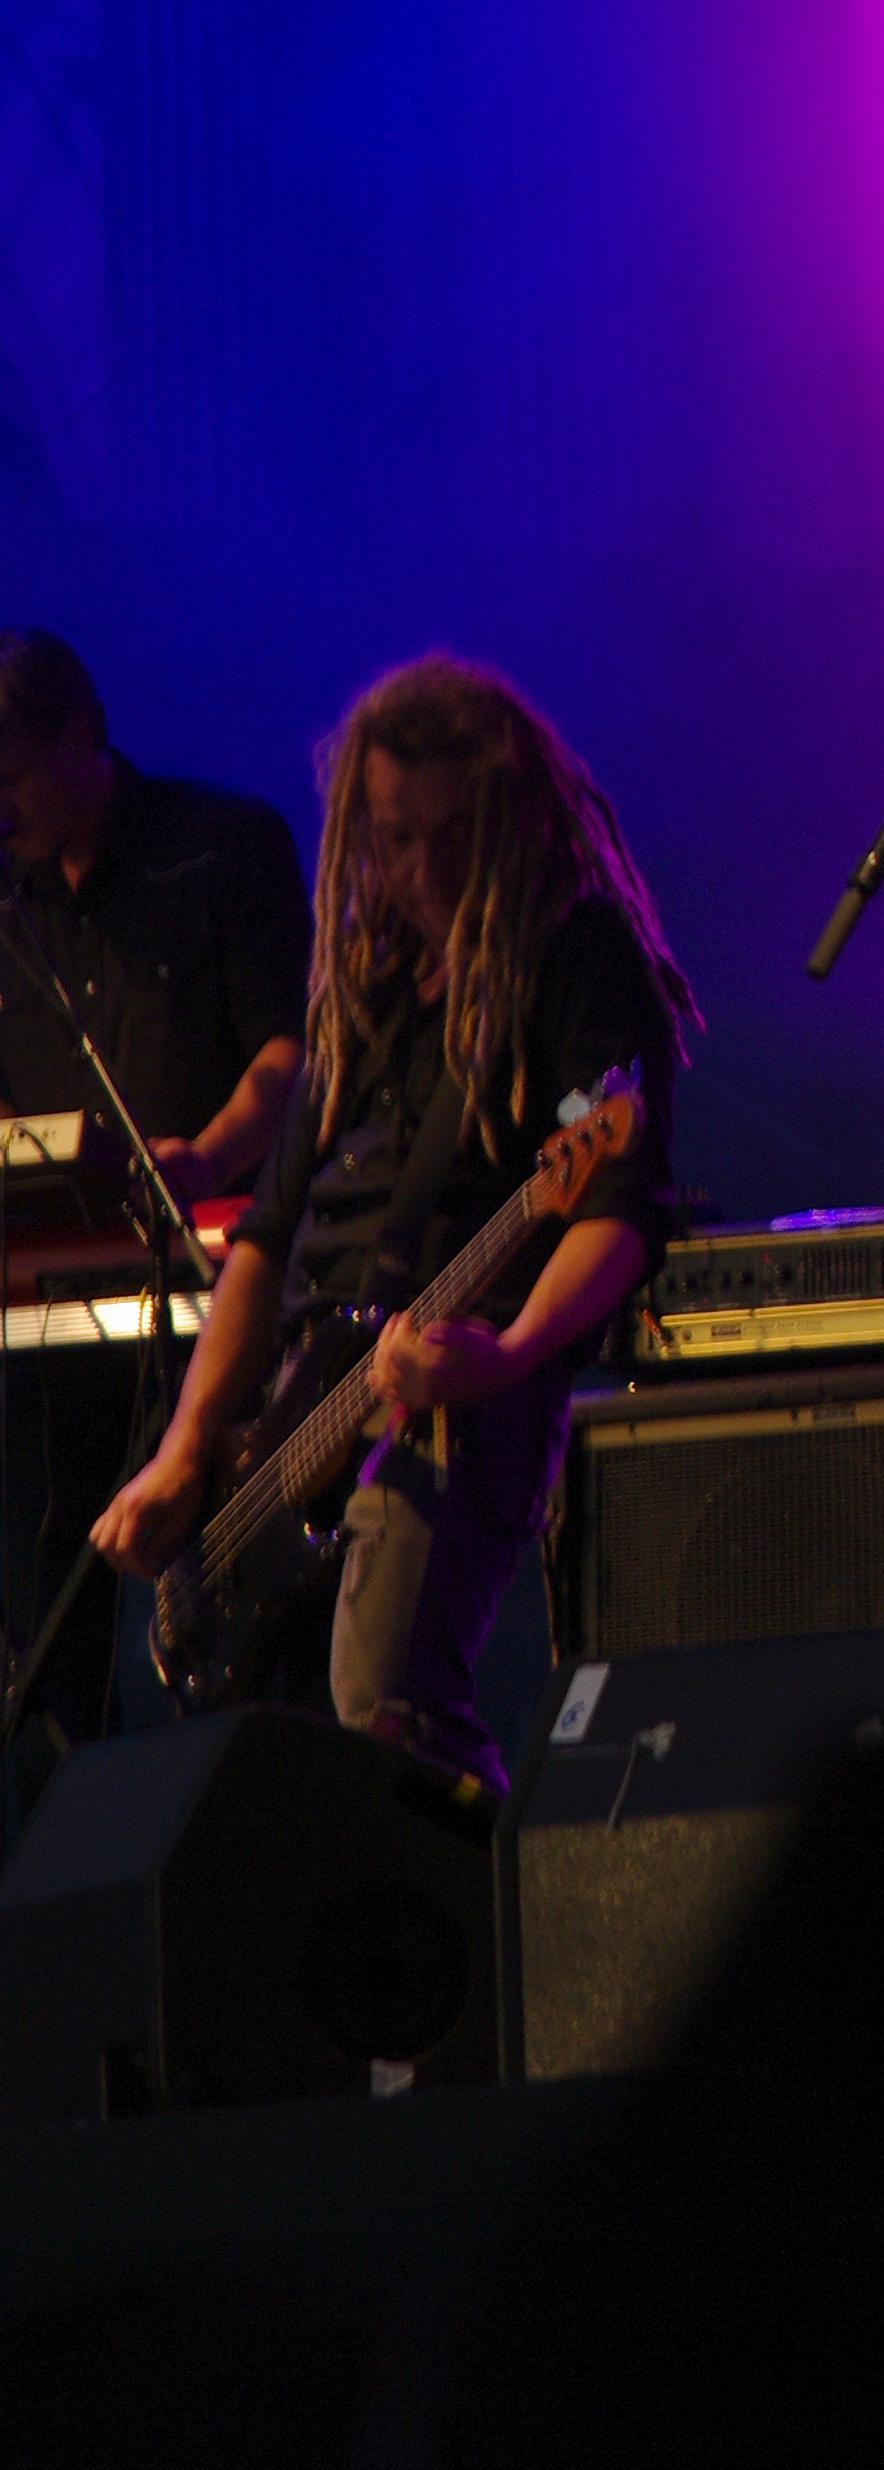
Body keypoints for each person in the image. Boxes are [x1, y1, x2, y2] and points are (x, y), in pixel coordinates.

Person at [93, 656, 696, 1788]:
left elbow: (617, 1212)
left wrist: (507, 1351)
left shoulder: (574, 960)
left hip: (451, 1399)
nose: (422, 870)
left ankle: (496, 1898)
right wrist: (185, 1452)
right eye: (394, 837)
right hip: (290, 1423)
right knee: (274, 1781)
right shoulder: (366, 985)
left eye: (452, 835)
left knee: (390, 1719)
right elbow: (266, 1239)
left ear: (510, 818)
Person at [0, 629, 311, 1752]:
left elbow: (293, 1052)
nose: (0, 807)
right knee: (48, 1607)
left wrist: (208, 1157)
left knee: (229, 1607)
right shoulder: (8, 897)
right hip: (45, 1302)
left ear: (84, 733)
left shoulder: (219, 846)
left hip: (215, 1272)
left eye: (11, 773)